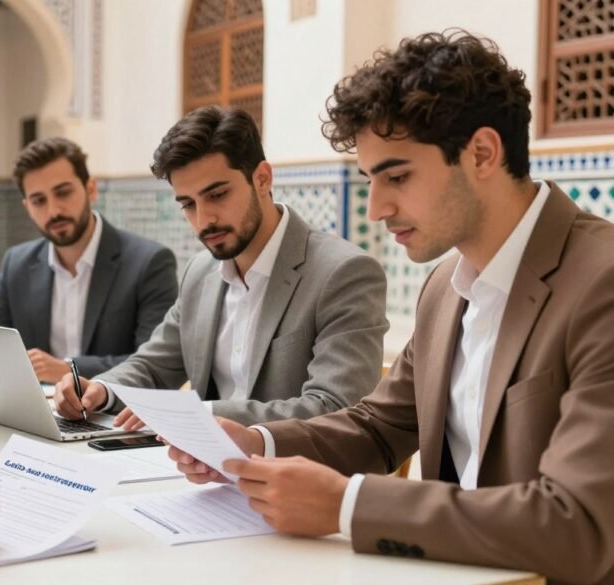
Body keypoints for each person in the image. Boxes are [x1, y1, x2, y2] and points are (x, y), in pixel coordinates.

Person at [169, 32, 614, 584]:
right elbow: (379, 427)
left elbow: (580, 525)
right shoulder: (446, 284)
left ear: (481, 153)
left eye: (397, 177)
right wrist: (255, 442)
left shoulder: (602, 283)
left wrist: (348, 507)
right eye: (370, 181)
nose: (376, 209)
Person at [55, 106, 388, 427]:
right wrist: (102, 389)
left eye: (217, 195)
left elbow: (336, 409)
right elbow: (154, 366)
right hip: (200, 471)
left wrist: (199, 415)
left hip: (294, 476)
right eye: (188, 204)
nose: (204, 220)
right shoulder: (200, 273)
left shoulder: (344, 273)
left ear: (262, 178)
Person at [0, 137, 179, 382]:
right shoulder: (17, 263)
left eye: (63, 193)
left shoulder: (149, 262)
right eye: (39, 200)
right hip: (35, 413)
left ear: (90, 189)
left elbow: (158, 365)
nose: (53, 211)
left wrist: (68, 369)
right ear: (27, 206)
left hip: (114, 414)